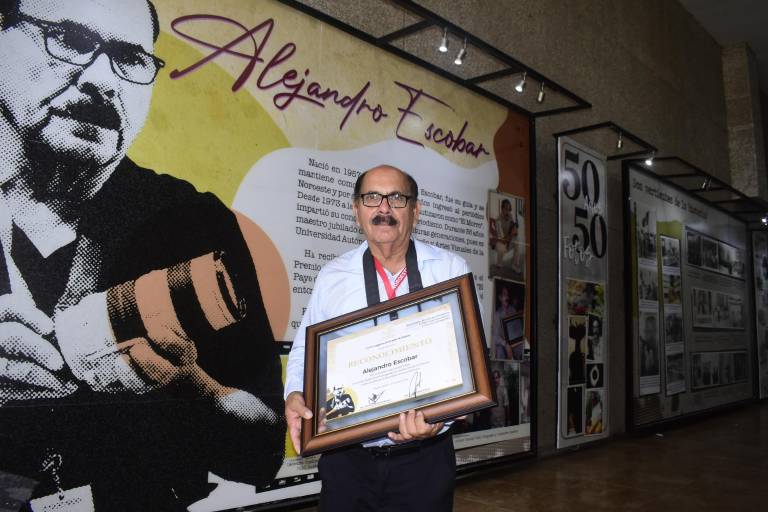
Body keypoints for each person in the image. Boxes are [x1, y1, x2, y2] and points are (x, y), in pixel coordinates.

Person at [0, 1, 284, 509]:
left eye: (130, 58)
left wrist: (191, 389)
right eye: (71, 38)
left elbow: (261, 447)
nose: (102, 80)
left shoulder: (193, 223)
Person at [285, 165, 470, 511]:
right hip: (349, 461)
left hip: (424, 461)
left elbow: (469, 363)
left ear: (415, 211)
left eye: (396, 198)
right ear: (357, 211)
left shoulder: (450, 270)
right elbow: (305, 349)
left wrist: (439, 418)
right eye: (372, 197)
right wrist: (295, 392)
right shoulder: (333, 277)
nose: (384, 208)